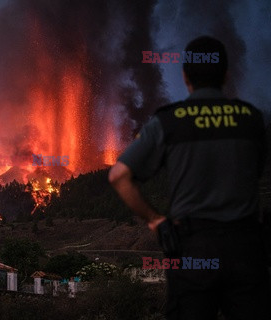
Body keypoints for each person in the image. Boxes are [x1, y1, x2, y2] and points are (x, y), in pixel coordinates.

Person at [109, 36, 270, 319]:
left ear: (184, 76)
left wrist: (156, 220)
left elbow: (118, 175)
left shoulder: (170, 121)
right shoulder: (252, 119)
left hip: (193, 251)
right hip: (246, 249)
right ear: (226, 74)